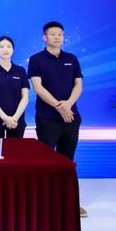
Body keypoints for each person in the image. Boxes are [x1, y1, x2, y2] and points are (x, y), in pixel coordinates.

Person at [28, 21, 87, 218]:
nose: (57, 37)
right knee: (46, 162)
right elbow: (38, 87)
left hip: (71, 118)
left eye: (60, 34)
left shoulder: (72, 59)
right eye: (52, 34)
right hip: (47, 118)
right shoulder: (36, 59)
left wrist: (68, 105)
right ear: (44, 37)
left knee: (68, 161)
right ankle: (44, 204)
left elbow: (78, 85)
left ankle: (70, 203)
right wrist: (59, 106)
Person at [0, 35, 29, 138]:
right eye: (1, 46)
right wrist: (5, 118)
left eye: (9, 46)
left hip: (17, 120)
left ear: (13, 50)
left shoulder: (20, 71)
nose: (5, 49)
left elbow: (25, 97)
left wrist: (14, 118)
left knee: (15, 148)